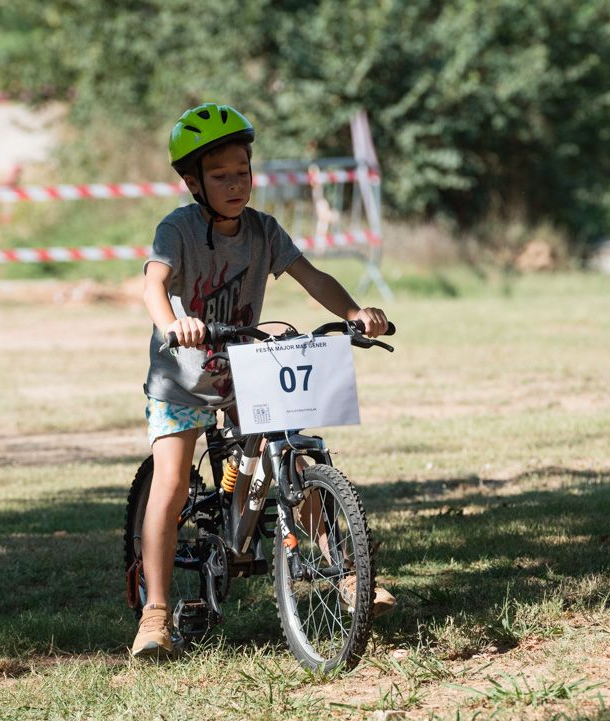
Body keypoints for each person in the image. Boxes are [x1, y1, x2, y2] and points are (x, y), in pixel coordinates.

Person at [134, 102, 395, 659]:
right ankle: (155, 612)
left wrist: (354, 313)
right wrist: (173, 324)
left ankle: (344, 576)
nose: (236, 184)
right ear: (192, 182)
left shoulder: (263, 231)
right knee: (172, 482)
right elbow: (154, 284)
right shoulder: (177, 229)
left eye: (243, 172)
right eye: (221, 175)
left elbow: (311, 276)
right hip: (182, 381)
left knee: (297, 461)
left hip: (246, 371)